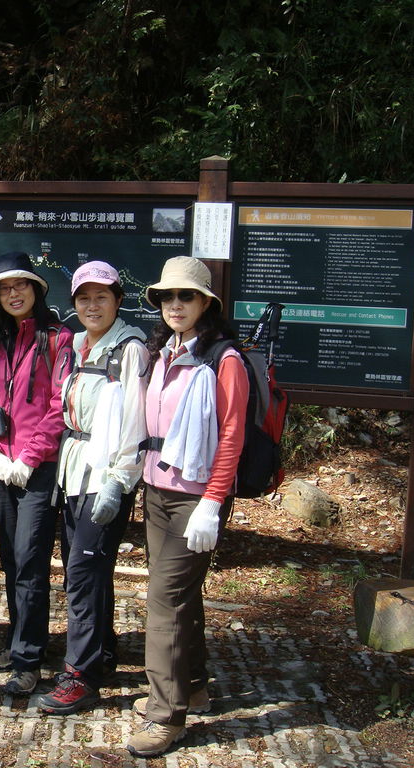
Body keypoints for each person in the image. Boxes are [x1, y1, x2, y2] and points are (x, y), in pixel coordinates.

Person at [126, 256, 248, 757]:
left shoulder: (224, 359)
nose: (176, 305)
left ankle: (165, 715)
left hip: (195, 498)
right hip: (157, 492)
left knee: (163, 601)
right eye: (168, 297)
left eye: (187, 296)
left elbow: (233, 436)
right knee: (180, 597)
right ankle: (191, 685)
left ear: (206, 304)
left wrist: (213, 502)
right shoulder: (165, 351)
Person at [37, 260, 149, 714]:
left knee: (82, 576)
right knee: (87, 570)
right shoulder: (79, 345)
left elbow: (135, 420)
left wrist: (119, 481)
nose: (92, 305)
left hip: (105, 476)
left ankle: (79, 675)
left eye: (102, 296)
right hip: (74, 472)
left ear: (118, 300)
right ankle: (101, 653)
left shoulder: (130, 349)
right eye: (84, 297)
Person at [0, 252, 73, 695]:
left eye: (22, 286)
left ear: (36, 290)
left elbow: (60, 406)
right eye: (5, 288)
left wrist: (29, 457)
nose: (14, 294)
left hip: (40, 469)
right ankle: (21, 642)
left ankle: (28, 659)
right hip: (2, 469)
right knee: (12, 559)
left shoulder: (59, 339)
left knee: (31, 561)